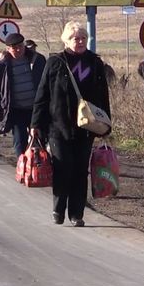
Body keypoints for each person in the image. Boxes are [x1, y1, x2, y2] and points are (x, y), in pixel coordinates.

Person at [30, 21, 110, 227]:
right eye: (76, 38)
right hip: (59, 126)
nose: (81, 41)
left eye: (83, 38)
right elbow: (42, 94)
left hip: (86, 127)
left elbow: (103, 95)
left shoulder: (95, 62)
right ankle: (58, 209)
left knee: (80, 170)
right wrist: (35, 124)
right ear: (67, 40)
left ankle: (77, 214)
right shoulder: (55, 62)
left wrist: (106, 124)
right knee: (63, 167)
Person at [0, 32, 46, 160]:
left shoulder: (37, 60)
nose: (18, 50)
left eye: (20, 46)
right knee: (20, 141)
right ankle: (23, 165)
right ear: (8, 49)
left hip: (36, 109)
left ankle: (40, 167)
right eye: (14, 48)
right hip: (16, 110)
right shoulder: (2, 64)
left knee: (41, 138)